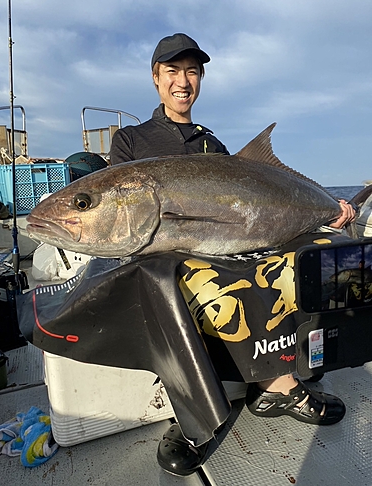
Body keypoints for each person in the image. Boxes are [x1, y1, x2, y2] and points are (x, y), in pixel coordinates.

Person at [110, 33, 355, 477]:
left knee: (286, 268)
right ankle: (191, 416)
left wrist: (326, 213)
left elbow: (253, 198)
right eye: (172, 71)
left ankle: (277, 382)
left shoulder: (212, 145)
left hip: (221, 251)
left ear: (199, 79)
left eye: (192, 72)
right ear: (155, 79)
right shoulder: (130, 142)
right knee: (173, 291)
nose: (183, 82)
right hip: (159, 262)